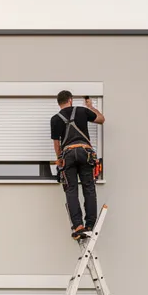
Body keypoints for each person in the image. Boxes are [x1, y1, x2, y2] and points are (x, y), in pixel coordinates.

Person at [50, 90, 105, 239]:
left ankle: (78, 225)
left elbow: (56, 144)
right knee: (88, 187)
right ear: (70, 100)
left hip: (68, 154)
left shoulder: (55, 119)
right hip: (85, 153)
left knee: (71, 189)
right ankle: (90, 225)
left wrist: (60, 159)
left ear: (59, 102)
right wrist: (90, 106)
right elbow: (101, 119)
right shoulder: (81, 111)